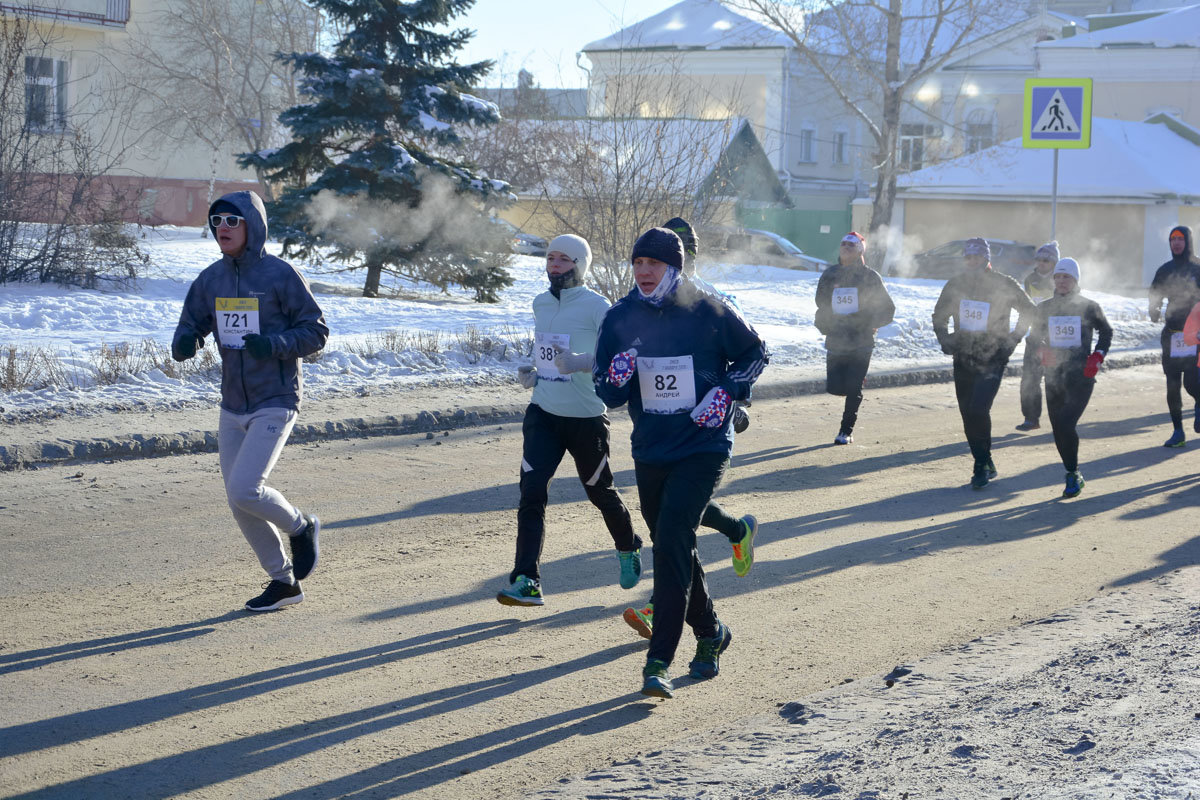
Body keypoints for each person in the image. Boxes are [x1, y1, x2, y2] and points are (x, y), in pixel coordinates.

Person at [594, 227, 768, 699]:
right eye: (638, 263)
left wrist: (727, 392)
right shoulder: (619, 318)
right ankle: (711, 633)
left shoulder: (708, 310)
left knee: (670, 540)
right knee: (676, 546)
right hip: (652, 447)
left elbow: (756, 354)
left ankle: (658, 661)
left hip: (705, 443)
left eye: (654, 263)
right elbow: (605, 392)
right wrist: (614, 379)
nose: (644, 271)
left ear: (674, 267)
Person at [172, 190, 329, 611]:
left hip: (275, 398)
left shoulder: (280, 274)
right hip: (232, 404)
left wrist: (274, 344)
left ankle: (300, 527)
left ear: (252, 226)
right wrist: (185, 341)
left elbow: (316, 332)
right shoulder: (211, 279)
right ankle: (284, 583)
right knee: (238, 499)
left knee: (245, 488)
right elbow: (190, 324)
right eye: (216, 221)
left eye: (231, 220)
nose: (222, 228)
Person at [620, 218, 760, 641]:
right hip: (661, 433)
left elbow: (743, 356)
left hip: (708, 427)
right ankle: (739, 531)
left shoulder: (714, 302)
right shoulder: (642, 304)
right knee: (676, 518)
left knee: (673, 526)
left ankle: (662, 608)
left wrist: (733, 402)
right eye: (645, 260)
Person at [497, 234, 644, 606]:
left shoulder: (599, 306)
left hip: (585, 418)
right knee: (531, 494)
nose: (554, 265)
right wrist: (536, 372)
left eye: (564, 259)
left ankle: (628, 546)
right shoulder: (540, 303)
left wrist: (580, 362)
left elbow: (617, 358)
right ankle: (527, 580)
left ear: (580, 264)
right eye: (550, 258)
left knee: (600, 492)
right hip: (543, 412)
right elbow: (546, 349)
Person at [932, 237, 1036, 489]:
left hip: (993, 357)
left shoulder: (1003, 283)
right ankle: (984, 459)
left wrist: (1013, 339)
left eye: (977, 257)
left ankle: (980, 467)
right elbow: (939, 315)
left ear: (987, 259)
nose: (972, 261)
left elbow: (1029, 311)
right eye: (968, 257)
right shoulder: (956, 285)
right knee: (968, 413)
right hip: (964, 357)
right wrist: (945, 339)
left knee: (979, 409)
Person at [1029, 258, 1112, 497]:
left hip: (1081, 377)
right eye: (1058, 276)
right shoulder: (1044, 308)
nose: (1062, 281)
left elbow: (1106, 331)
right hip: (1054, 377)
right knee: (1058, 429)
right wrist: (1042, 349)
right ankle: (1072, 471)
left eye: (1067, 277)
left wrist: (1098, 355)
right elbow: (1034, 337)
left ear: (1075, 280)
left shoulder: (1088, 306)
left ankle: (1072, 474)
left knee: (1066, 423)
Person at [813, 231, 895, 444]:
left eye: (851, 245)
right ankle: (853, 389)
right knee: (836, 387)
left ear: (860, 250)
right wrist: (826, 318)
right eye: (843, 244)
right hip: (837, 338)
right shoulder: (830, 274)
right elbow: (820, 301)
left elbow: (888, 309)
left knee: (853, 386)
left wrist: (868, 321)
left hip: (861, 340)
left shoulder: (870, 277)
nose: (846, 247)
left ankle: (845, 430)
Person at [1148, 226, 1200, 448]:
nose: (1176, 243)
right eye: (1173, 239)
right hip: (1172, 335)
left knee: (1192, 382)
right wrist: (1154, 308)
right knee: (1172, 385)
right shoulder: (1165, 269)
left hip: (1195, 334)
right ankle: (1178, 431)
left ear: (1188, 241)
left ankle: (1199, 406)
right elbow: (1155, 292)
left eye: (1180, 239)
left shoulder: (1198, 267)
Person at [1015, 241, 1060, 432]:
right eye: (1039, 260)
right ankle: (1031, 418)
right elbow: (1027, 307)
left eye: (1046, 260)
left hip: (1056, 338)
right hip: (1035, 335)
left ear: (1054, 263)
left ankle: (1061, 420)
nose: (1041, 263)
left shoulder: (1062, 279)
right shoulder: (1030, 280)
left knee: (1055, 380)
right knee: (1029, 378)